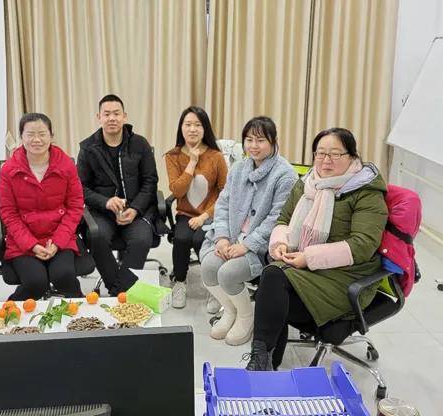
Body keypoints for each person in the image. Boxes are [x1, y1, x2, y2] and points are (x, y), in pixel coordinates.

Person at [244, 127, 388, 371]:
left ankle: (261, 365)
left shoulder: (366, 192)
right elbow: (284, 220)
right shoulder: (308, 183)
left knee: (272, 281)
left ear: (352, 156)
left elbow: (363, 245)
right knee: (271, 279)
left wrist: (308, 258)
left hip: (346, 277)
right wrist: (280, 243)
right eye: (320, 153)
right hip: (307, 269)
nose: (325, 160)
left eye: (335, 154)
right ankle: (264, 362)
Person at [199, 116, 297, 346]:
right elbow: (223, 204)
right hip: (232, 238)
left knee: (228, 274)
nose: (253, 146)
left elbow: (278, 219)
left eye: (260, 140)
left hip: (262, 246)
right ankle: (231, 311)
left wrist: (247, 245)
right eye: (249, 140)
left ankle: (246, 316)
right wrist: (222, 237)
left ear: (273, 142)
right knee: (209, 267)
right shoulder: (239, 168)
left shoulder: (285, 175)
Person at [77, 94, 164, 295]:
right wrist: (106, 202)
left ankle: (118, 292)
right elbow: (81, 188)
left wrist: (135, 209)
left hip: (136, 210)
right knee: (96, 235)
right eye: (106, 114)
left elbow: (150, 182)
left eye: (116, 114)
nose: (112, 118)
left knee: (142, 239)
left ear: (124, 116)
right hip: (102, 211)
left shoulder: (140, 144)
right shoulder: (88, 148)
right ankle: (121, 292)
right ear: (98, 117)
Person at [0, 113, 84, 300]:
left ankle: (82, 312)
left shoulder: (66, 165)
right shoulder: (9, 170)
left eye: (42, 134)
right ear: (22, 137)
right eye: (30, 134)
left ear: (51, 136)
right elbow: (8, 213)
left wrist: (58, 242)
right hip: (23, 242)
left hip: (59, 237)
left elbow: (75, 207)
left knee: (64, 276)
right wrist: (32, 245)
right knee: (35, 283)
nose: (36, 140)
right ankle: (8, 311)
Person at [164, 106, 228, 309]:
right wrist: (192, 163)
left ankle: (213, 286)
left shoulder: (216, 156)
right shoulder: (173, 156)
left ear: (205, 128)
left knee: (202, 240)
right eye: (188, 124)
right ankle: (180, 282)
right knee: (181, 238)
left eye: (198, 125)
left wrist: (204, 217)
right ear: (181, 128)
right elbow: (177, 190)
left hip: (212, 215)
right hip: (185, 213)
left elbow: (225, 194)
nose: (192, 129)